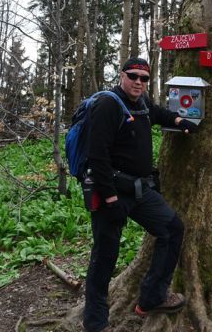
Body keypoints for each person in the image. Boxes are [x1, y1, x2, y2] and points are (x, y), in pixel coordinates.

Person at [82, 57, 198, 332]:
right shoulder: (109, 104)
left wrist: (180, 119)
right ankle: (96, 323)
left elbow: (159, 113)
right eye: (133, 76)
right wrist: (109, 198)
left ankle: (151, 298)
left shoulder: (142, 104)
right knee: (104, 258)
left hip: (139, 191)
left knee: (172, 230)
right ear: (122, 76)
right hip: (111, 194)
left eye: (144, 78)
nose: (138, 82)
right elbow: (96, 155)